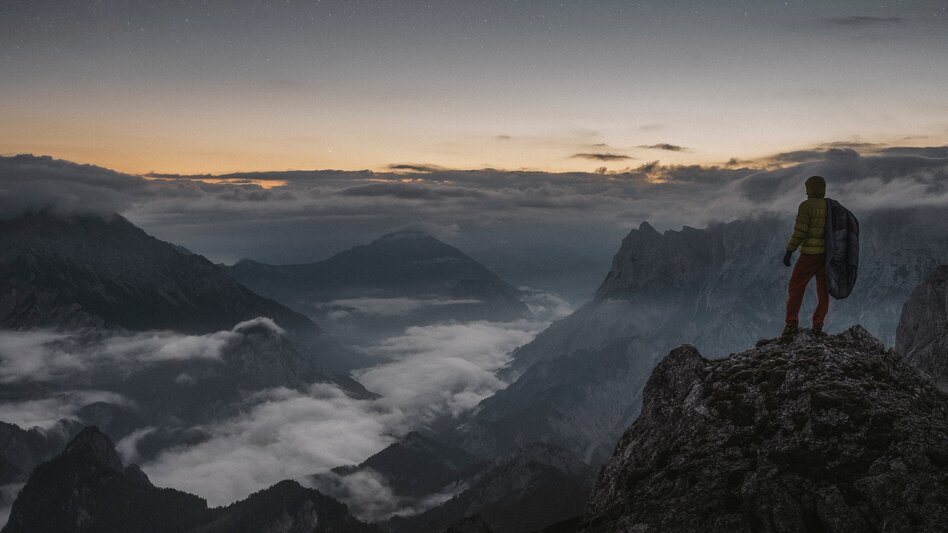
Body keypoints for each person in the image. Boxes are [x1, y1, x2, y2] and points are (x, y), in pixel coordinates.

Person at [782, 175, 828, 338]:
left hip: (809, 255)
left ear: (809, 188)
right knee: (823, 291)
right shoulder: (830, 206)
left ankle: (791, 324)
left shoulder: (806, 206)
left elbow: (800, 231)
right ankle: (818, 326)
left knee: (795, 287)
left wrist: (789, 250)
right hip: (826, 256)